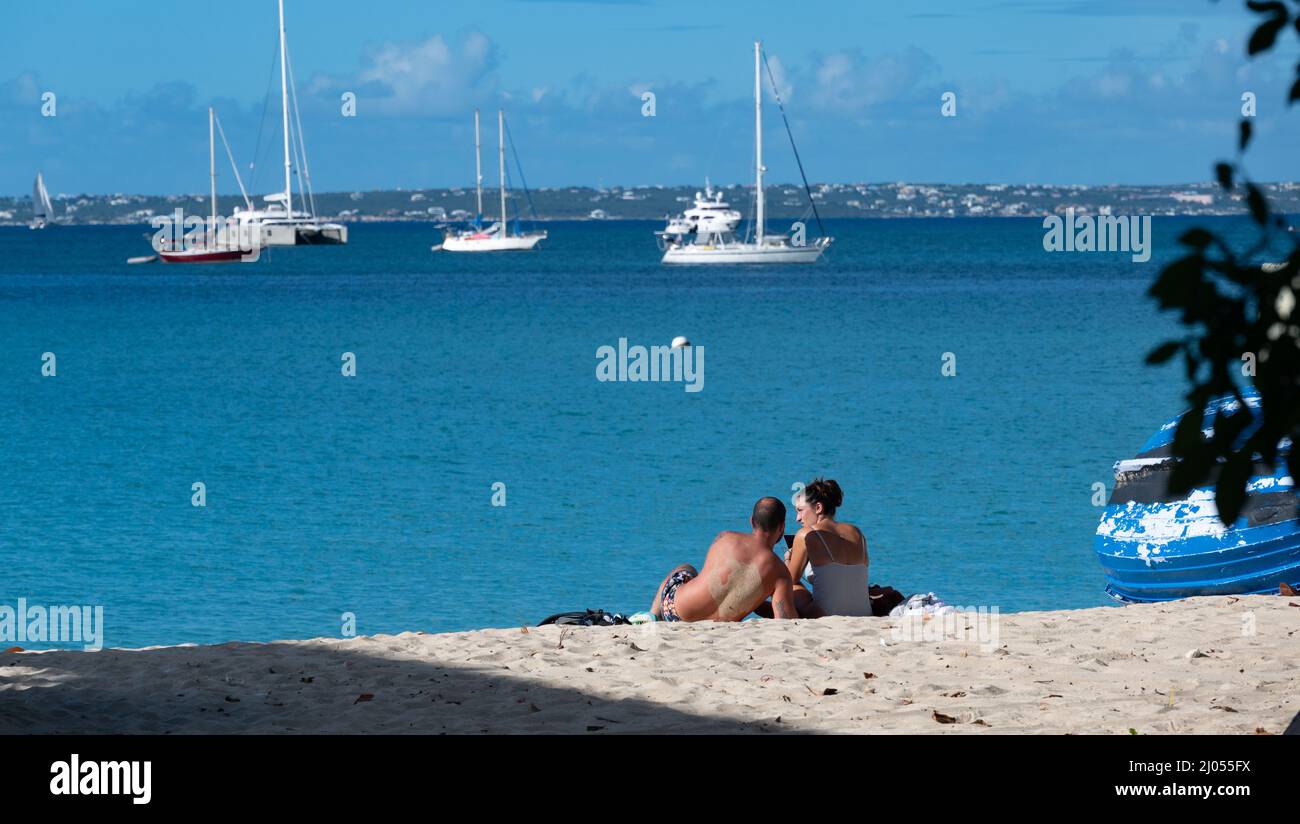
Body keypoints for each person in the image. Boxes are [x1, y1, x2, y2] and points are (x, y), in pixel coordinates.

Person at [650, 497, 797, 622]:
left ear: (752, 521)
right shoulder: (781, 574)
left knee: (686, 569)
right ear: (782, 527)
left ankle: (652, 617)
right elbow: (784, 619)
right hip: (715, 629)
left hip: (675, 612)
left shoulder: (725, 537)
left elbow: (711, 583)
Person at [785, 478, 870, 618]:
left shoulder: (806, 534)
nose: (797, 518)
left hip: (826, 616)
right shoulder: (857, 533)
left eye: (800, 511)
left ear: (818, 508)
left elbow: (789, 580)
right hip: (864, 613)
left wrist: (788, 559)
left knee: (788, 585)